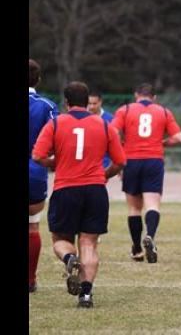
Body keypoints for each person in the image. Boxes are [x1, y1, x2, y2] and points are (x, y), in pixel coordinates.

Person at [32, 81, 126, 307]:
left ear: (66, 102)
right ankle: (86, 293)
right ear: (88, 102)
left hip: (66, 188)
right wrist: (105, 175)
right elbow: (121, 161)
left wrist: (55, 163)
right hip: (95, 190)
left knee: (60, 240)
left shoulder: (56, 124)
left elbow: (37, 156)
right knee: (89, 243)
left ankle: (68, 257)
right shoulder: (104, 125)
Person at [111, 84, 181, 263]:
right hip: (153, 160)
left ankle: (137, 249)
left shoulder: (125, 110)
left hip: (131, 160)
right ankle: (150, 235)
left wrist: (122, 144)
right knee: (152, 205)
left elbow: (112, 132)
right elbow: (179, 137)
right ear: (154, 97)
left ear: (136, 95)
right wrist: (163, 142)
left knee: (134, 208)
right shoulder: (163, 112)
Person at [28, 59, 59, 293]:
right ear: (38, 80)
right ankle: (30, 279)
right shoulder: (47, 106)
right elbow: (58, 140)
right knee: (32, 227)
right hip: (35, 170)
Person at [88, 90, 114, 168]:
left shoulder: (110, 119)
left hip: (104, 164)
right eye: (89, 103)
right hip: (86, 164)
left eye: (94, 104)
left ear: (100, 102)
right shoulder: (83, 117)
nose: (92, 106)